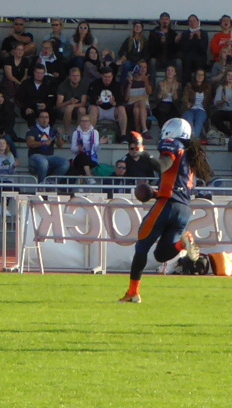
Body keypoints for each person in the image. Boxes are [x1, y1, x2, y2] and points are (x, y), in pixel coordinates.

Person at [119, 118, 213, 303]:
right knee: (161, 254)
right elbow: (177, 183)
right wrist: (155, 193)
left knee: (142, 246)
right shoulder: (190, 155)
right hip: (184, 209)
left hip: (168, 204)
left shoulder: (173, 144)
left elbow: (162, 165)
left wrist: (142, 152)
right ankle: (182, 244)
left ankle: (133, 293)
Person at [87, 66, 128, 144]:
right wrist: (97, 102)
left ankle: (123, 135)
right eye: (105, 77)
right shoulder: (95, 84)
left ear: (112, 76)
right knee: (93, 108)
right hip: (99, 110)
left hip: (112, 110)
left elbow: (122, 100)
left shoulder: (117, 85)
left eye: (109, 77)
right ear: (102, 76)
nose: (107, 79)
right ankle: (91, 135)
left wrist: (115, 103)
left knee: (121, 108)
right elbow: (91, 99)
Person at [26, 110, 69, 182]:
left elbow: (60, 145)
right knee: (43, 162)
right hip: (35, 157)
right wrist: (43, 143)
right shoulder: (33, 130)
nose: (44, 119)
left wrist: (59, 136)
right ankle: (42, 184)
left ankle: (50, 182)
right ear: (38, 119)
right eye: (42, 117)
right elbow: (29, 143)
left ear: (49, 119)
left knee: (65, 163)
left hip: (49, 157)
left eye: (46, 117)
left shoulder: (52, 130)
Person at [70, 115, 107, 184]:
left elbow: (96, 149)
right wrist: (78, 148)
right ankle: (89, 177)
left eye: (86, 121)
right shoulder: (75, 133)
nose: (85, 123)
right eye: (83, 121)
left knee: (82, 163)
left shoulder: (95, 132)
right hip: (78, 158)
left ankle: (81, 186)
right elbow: (72, 149)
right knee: (82, 155)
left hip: (91, 159)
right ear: (80, 123)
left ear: (90, 122)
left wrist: (100, 144)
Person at [148, 12, 181, 83]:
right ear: (160, 21)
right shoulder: (154, 33)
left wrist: (177, 42)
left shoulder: (173, 34)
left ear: (169, 21)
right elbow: (150, 50)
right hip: (158, 60)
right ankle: (151, 85)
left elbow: (176, 51)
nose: (164, 21)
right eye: (162, 19)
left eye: (166, 19)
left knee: (178, 62)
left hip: (169, 60)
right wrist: (160, 43)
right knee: (152, 61)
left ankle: (178, 85)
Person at [124, 59, 154, 138]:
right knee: (141, 102)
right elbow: (126, 98)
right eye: (141, 67)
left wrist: (146, 81)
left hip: (143, 108)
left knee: (137, 110)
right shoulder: (130, 80)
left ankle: (137, 133)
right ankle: (144, 129)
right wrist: (130, 84)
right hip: (131, 105)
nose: (143, 69)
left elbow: (149, 92)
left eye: (145, 67)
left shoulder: (148, 79)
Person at [211, 69, 232, 137]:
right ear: (225, 77)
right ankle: (229, 134)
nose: (230, 77)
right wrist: (223, 101)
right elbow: (216, 103)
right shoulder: (221, 88)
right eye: (228, 75)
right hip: (223, 109)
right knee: (215, 118)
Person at [181, 68, 213, 140]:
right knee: (189, 120)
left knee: (199, 121)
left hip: (201, 109)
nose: (200, 76)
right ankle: (191, 138)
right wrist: (187, 103)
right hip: (190, 109)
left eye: (202, 75)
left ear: (204, 77)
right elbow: (185, 97)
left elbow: (209, 101)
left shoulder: (208, 87)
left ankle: (193, 139)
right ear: (195, 76)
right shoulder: (189, 85)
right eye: (198, 74)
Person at [56, 67, 89, 136]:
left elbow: (84, 103)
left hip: (77, 107)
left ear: (80, 77)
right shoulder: (63, 86)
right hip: (65, 108)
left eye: (77, 76)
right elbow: (58, 105)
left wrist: (73, 105)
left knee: (82, 110)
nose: (75, 78)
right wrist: (69, 102)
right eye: (73, 76)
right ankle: (67, 133)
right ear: (69, 77)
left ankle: (79, 133)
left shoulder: (83, 86)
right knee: (68, 108)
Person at [179, 14, 208, 86]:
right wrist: (190, 38)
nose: (192, 23)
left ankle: (200, 86)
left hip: (200, 57)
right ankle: (186, 87)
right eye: (190, 21)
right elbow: (184, 48)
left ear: (198, 22)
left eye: (194, 21)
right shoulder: (185, 33)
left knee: (199, 62)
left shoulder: (203, 33)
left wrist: (199, 37)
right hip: (188, 58)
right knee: (186, 61)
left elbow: (203, 49)